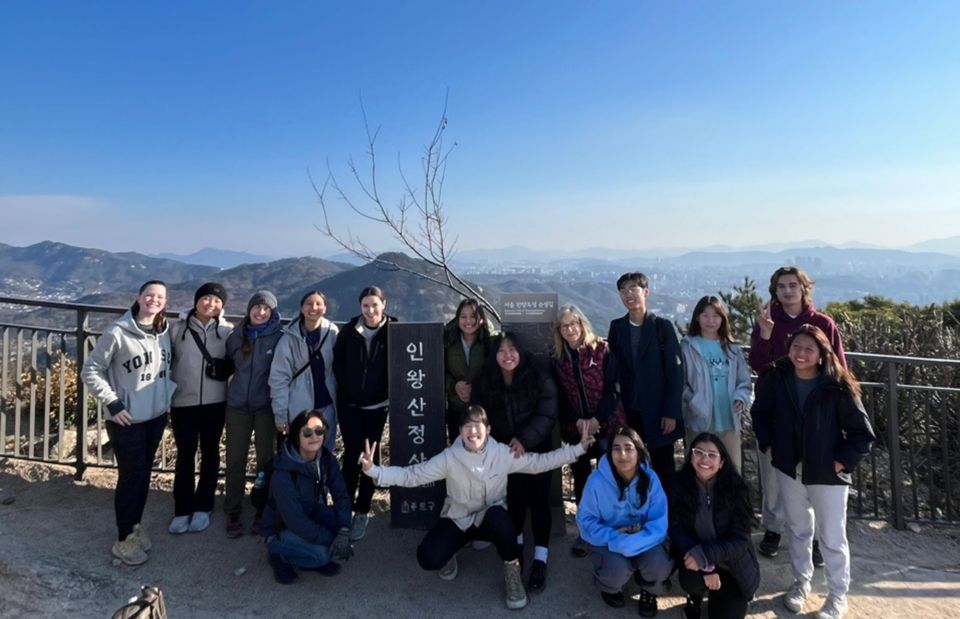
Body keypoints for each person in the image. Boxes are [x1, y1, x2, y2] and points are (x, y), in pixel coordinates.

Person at [359, 405, 596, 610]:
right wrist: (374, 471)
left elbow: (538, 462)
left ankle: (512, 570)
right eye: (467, 426)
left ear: (488, 429)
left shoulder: (501, 454)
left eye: (478, 425)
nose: (473, 431)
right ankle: (451, 553)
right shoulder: (449, 458)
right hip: (458, 519)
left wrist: (577, 450)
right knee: (428, 558)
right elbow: (413, 475)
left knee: (500, 518)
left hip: (489, 521)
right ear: (460, 431)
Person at [751, 324, 875, 619]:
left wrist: (841, 462)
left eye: (809, 349)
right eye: (796, 347)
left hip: (828, 473)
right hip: (788, 468)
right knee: (798, 530)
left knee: (831, 536)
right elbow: (761, 414)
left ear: (822, 354)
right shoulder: (778, 378)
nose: (801, 354)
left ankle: (837, 595)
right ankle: (801, 583)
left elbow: (862, 433)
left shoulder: (836, 386)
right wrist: (768, 444)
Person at [750, 266, 846, 562]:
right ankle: (774, 528)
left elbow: (839, 368)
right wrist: (765, 335)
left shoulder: (822, 323)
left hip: (816, 415)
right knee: (774, 477)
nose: (787, 291)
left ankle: (817, 538)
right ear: (775, 291)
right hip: (778, 410)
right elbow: (758, 364)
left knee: (816, 476)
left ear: (804, 289)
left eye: (793, 285)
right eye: (781, 286)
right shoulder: (767, 321)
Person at [81, 280, 176, 565]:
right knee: (131, 477)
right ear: (138, 297)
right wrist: (112, 402)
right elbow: (91, 370)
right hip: (127, 419)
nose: (154, 300)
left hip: (156, 416)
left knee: (142, 475)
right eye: (150, 295)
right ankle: (124, 540)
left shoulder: (163, 332)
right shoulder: (117, 333)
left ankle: (134, 528)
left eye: (160, 297)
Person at [474, 332, 559, 593]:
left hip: (536, 448)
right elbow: (480, 414)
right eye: (501, 351)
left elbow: (548, 410)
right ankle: (518, 548)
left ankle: (541, 558)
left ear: (521, 352)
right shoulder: (487, 379)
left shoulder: (537, 374)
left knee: (539, 500)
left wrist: (524, 439)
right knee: (514, 499)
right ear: (494, 355)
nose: (507, 355)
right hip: (504, 452)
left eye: (512, 349)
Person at [577, 425, 673, 618]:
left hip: (645, 538)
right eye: (616, 448)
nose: (623, 454)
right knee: (616, 570)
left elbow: (659, 523)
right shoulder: (596, 481)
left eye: (629, 448)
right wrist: (614, 537)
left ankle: (649, 588)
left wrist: (632, 542)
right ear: (609, 452)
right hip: (609, 541)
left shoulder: (651, 479)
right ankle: (609, 587)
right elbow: (585, 520)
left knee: (659, 566)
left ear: (638, 451)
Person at [551, 304, 621, 558]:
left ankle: (610, 528)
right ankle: (585, 531)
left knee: (609, 477)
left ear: (582, 324)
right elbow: (560, 397)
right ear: (559, 330)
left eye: (574, 323)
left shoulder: (602, 350)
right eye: (564, 325)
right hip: (576, 429)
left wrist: (595, 420)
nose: (570, 329)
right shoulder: (558, 359)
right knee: (581, 479)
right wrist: (578, 421)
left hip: (608, 425)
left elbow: (613, 390)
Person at [605, 272, 684, 495]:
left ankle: (667, 521)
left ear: (645, 292)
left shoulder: (662, 327)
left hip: (659, 412)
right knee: (631, 467)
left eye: (633, 289)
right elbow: (613, 369)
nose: (628, 294)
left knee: (663, 468)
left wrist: (671, 412)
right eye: (623, 290)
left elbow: (675, 372)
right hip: (630, 412)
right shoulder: (617, 327)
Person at [670, 433, 759, 619]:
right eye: (699, 452)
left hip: (731, 566)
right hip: (696, 560)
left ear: (722, 462)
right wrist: (706, 566)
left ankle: (719, 595)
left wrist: (706, 557)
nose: (704, 459)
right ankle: (695, 595)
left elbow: (741, 540)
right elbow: (675, 527)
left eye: (712, 454)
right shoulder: (679, 484)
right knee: (690, 579)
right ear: (690, 456)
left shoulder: (737, 488)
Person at [168, 282, 234, 535]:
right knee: (185, 454)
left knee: (210, 453)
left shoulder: (227, 331)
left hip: (216, 402)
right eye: (206, 298)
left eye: (217, 301)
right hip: (183, 400)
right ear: (196, 301)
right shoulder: (176, 329)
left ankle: (203, 505)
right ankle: (182, 508)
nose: (211, 304)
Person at [260, 410, 354, 584]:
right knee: (323, 555)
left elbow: (341, 496)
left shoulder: (325, 459)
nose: (314, 437)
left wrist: (343, 531)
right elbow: (296, 521)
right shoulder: (283, 473)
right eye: (307, 432)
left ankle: (307, 550)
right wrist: (331, 540)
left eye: (319, 431)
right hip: (280, 528)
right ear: (296, 436)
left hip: (312, 512)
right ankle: (279, 555)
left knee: (343, 527)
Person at [333, 285, 395, 543]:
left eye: (375, 305)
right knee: (351, 456)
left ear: (384, 305)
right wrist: (348, 390)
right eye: (366, 305)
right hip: (349, 405)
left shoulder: (394, 331)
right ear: (360, 307)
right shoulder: (348, 332)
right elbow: (338, 364)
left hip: (377, 406)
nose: (370, 310)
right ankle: (345, 509)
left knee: (370, 458)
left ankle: (363, 510)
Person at [224, 290, 283, 537]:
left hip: (265, 407)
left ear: (273, 312)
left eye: (266, 309)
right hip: (237, 405)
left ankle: (262, 509)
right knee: (234, 460)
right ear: (249, 310)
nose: (261, 312)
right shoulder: (236, 336)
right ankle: (233, 510)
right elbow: (227, 362)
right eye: (257, 308)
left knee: (265, 462)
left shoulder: (279, 338)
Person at [680, 296, 753, 472]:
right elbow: (680, 383)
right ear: (697, 317)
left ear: (723, 318)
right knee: (699, 469)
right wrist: (693, 401)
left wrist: (740, 398)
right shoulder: (688, 347)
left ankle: (732, 501)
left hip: (729, 419)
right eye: (705, 315)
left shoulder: (732, 349)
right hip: (699, 418)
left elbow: (744, 381)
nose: (710, 321)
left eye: (716, 316)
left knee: (733, 470)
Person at [269, 291, 339, 452]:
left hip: (327, 406)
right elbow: (279, 378)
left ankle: (322, 478)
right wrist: (280, 414)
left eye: (318, 304)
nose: (313, 308)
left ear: (325, 308)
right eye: (309, 303)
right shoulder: (289, 338)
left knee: (325, 453)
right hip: (298, 407)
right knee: (299, 452)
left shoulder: (333, 333)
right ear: (301, 308)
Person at [444, 298, 491, 444]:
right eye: (463, 317)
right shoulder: (447, 340)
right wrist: (454, 386)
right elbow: (437, 370)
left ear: (481, 319)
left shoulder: (491, 341)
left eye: (473, 316)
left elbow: (496, 374)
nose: (468, 321)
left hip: (484, 410)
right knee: (458, 451)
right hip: (456, 408)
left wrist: (476, 388)